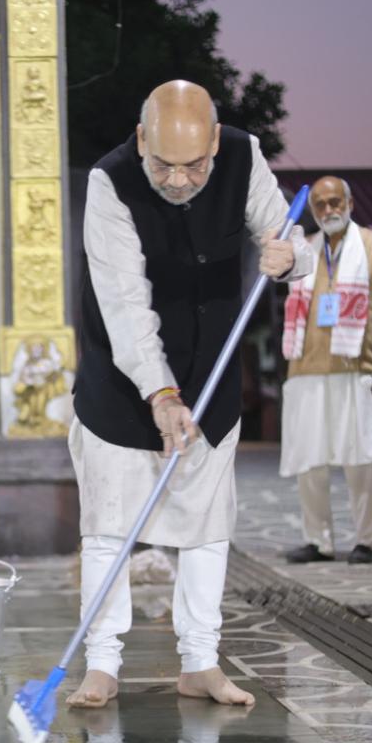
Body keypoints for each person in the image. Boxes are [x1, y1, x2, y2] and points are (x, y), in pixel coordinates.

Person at [68, 80, 313, 708]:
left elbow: (287, 236)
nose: (179, 181)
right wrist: (160, 392)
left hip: (211, 370)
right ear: (142, 138)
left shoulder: (242, 155)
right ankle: (102, 664)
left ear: (213, 143)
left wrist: (291, 257)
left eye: (194, 166)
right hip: (123, 382)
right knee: (109, 526)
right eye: (164, 166)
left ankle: (200, 661)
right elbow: (125, 304)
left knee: (206, 526)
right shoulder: (110, 181)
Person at [280, 176, 372, 565]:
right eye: (321, 205)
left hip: (355, 367)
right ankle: (318, 540)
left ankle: (367, 541)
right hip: (306, 369)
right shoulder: (304, 251)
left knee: (362, 460)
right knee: (310, 461)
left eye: (334, 202)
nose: (328, 210)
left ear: (350, 203)